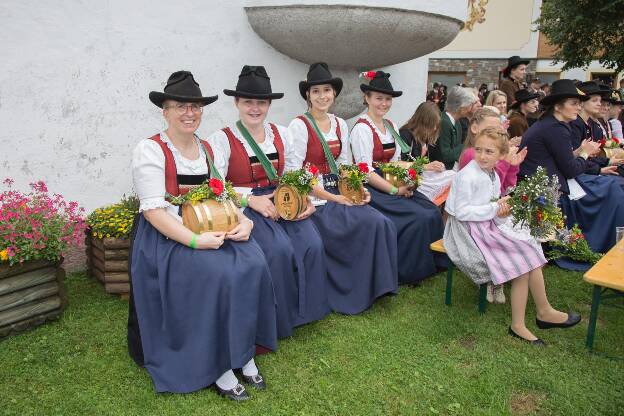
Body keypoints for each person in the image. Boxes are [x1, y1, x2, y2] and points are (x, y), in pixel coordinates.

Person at [128, 71, 277, 400]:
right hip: (166, 238)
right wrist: (194, 241)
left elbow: (222, 193)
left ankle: (242, 350)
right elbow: (153, 212)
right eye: (180, 106)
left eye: (195, 106)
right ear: (164, 111)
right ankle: (218, 364)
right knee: (216, 273)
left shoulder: (208, 149)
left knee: (252, 261)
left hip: (212, 226)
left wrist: (245, 221)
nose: (188, 113)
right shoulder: (150, 150)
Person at [208, 65, 331, 335]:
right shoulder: (222, 139)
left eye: (261, 102)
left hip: (282, 199)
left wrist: (304, 199)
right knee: (278, 250)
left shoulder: (282, 133)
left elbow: (292, 174)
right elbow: (217, 186)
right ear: (237, 102)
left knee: (311, 243)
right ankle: (277, 318)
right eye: (248, 102)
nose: (255, 108)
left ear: (269, 104)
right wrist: (250, 200)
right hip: (246, 207)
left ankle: (308, 311)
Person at [445, 127, 581, 345]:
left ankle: (544, 311)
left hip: (485, 223)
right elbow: (461, 212)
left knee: (531, 245)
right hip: (466, 231)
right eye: (478, 150)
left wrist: (501, 206)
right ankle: (518, 325)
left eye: (489, 152)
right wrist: (494, 208)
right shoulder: (467, 176)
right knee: (523, 260)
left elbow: (493, 201)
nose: (482, 155)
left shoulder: (491, 174)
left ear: (500, 155)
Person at [285, 63, 398, 314]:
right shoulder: (299, 125)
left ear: (334, 94)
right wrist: (333, 198)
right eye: (316, 91)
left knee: (380, 222)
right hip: (315, 196)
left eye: (327, 90)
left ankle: (375, 286)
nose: (322, 96)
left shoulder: (340, 124)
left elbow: (345, 165)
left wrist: (357, 188)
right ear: (308, 96)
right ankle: (348, 290)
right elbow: (295, 173)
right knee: (357, 223)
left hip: (338, 190)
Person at [350, 71, 444, 285]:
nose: (383, 103)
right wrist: (395, 190)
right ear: (367, 98)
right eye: (378, 98)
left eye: (388, 99)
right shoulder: (362, 129)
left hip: (391, 180)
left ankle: (433, 263)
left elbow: (395, 162)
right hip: (372, 188)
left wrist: (407, 180)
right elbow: (365, 171)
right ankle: (409, 271)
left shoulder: (390, 126)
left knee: (430, 210)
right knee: (417, 217)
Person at [520, 79, 624, 265]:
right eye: (574, 103)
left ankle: (612, 241)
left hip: (549, 182)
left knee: (614, 185)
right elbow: (571, 169)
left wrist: (579, 152)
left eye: (579, 103)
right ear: (558, 107)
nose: (578, 107)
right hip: (546, 190)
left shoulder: (553, 124)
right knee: (613, 189)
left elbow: (561, 158)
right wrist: (584, 153)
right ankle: (605, 243)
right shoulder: (555, 128)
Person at [458, 108, 527, 303]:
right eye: (489, 129)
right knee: (502, 234)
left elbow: (504, 186)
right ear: (474, 128)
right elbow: (490, 192)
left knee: (519, 228)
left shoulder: (488, 154)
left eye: (497, 130)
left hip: (488, 210)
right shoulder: (474, 155)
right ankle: (494, 278)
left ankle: (503, 276)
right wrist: (504, 162)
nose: (493, 134)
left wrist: (512, 165)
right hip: (474, 217)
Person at [399, 101, 455, 205]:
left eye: (436, 125)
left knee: (453, 175)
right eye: (431, 124)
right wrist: (425, 167)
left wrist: (436, 166)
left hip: (419, 177)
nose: (434, 128)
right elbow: (399, 165)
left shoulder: (425, 137)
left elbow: (426, 164)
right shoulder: (405, 135)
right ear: (422, 121)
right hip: (407, 181)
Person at [428, 86, 477, 169]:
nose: (471, 108)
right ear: (462, 107)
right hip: (441, 171)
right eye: (470, 105)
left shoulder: (457, 121)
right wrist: (467, 144)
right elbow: (446, 155)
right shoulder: (444, 122)